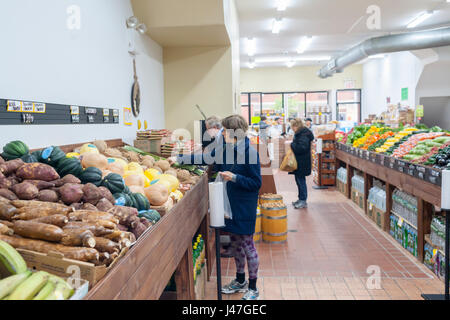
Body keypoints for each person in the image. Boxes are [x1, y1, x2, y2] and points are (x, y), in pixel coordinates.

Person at [170, 115, 262, 300]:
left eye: (226, 130)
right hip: (230, 205)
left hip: (243, 205)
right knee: (236, 243)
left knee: (247, 245)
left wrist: (234, 177)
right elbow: (206, 157)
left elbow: (256, 182)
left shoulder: (250, 152)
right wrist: (179, 159)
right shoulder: (225, 149)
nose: (223, 133)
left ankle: (253, 288)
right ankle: (240, 280)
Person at [289, 118, 314, 209]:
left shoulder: (303, 134)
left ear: (296, 126)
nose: (292, 129)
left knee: (301, 181)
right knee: (299, 180)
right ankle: (300, 199)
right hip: (300, 161)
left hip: (302, 162)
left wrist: (292, 145)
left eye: (292, 127)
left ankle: (303, 200)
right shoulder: (302, 133)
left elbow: (302, 148)